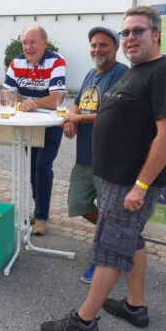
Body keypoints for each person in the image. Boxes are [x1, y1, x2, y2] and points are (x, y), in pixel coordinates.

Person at [41, 6, 166, 331]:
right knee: (130, 239)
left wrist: (141, 185)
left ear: (156, 34)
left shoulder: (165, 74)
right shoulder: (134, 73)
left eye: (138, 31)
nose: (130, 38)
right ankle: (135, 306)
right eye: (126, 32)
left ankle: (84, 321)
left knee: (110, 246)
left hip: (130, 183)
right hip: (115, 178)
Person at [63, 27, 128, 284]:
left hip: (108, 159)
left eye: (103, 45)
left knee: (110, 212)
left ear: (115, 47)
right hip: (85, 157)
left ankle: (102, 258)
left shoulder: (121, 74)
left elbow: (114, 114)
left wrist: (77, 118)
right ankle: (117, 238)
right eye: (93, 45)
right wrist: (72, 118)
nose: (97, 49)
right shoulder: (91, 74)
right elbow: (77, 102)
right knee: (78, 203)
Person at [4, 25, 66, 236]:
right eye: (25, 42)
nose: (28, 47)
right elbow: (7, 95)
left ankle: (41, 217)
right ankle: (39, 210)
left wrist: (31, 102)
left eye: (33, 42)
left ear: (44, 43)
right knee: (32, 168)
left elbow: (57, 98)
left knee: (42, 167)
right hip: (28, 126)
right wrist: (28, 102)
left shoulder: (56, 61)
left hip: (50, 126)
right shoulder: (16, 62)